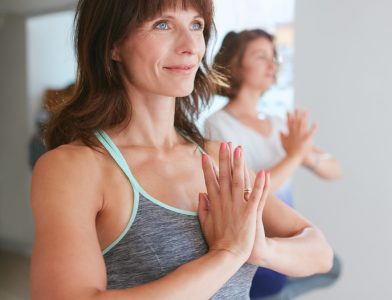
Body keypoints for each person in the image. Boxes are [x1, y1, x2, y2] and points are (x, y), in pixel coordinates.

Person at [29, 1, 333, 299]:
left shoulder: (216, 157)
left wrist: (261, 249)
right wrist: (227, 254)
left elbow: (320, 252)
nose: (191, 45)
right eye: (163, 24)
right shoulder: (74, 168)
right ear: (113, 44)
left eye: (196, 25)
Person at [204, 29, 342, 299]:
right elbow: (252, 191)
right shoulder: (218, 126)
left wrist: (305, 155)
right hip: (254, 240)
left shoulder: (277, 124)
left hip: (285, 236)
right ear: (236, 63)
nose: (272, 64)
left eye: (274, 57)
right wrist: (293, 155)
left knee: (333, 267)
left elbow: (334, 169)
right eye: (261, 56)